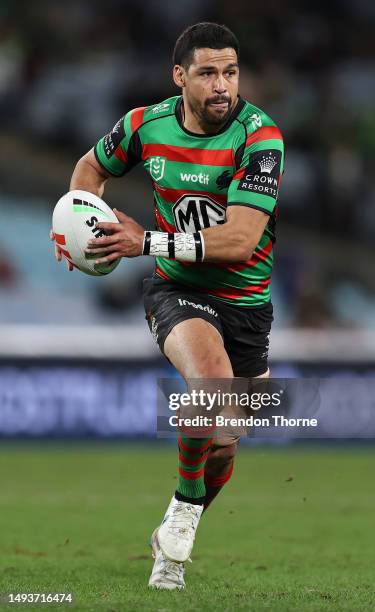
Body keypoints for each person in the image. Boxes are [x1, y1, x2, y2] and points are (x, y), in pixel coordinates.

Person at [51, 22, 284, 590]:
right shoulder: (142, 125)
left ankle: (179, 519)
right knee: (210, 381)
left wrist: (144, 240)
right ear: (180, 77)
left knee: (226, 444)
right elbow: (91, 168)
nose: (222, 85)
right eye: (207, 73)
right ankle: (180, 524)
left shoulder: (261, 138)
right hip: (179, 290)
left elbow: (239, 241)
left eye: (230, 71)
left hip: (248, 302)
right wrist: (77, 223)